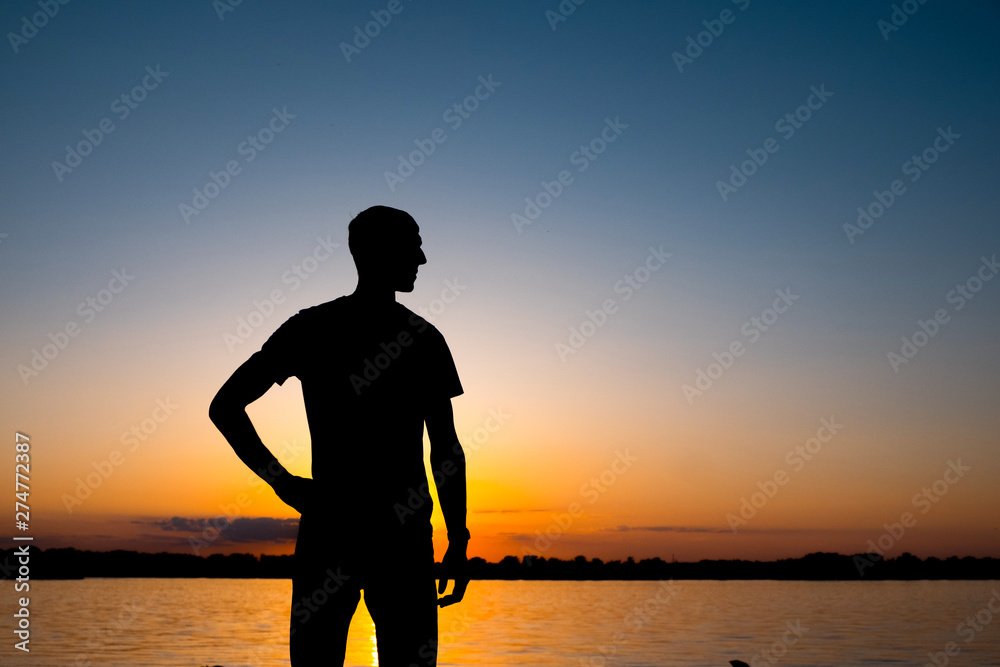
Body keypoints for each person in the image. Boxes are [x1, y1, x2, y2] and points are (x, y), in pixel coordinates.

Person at [209, 205, 470, 666]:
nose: (423, 260)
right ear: (377, 251)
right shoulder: (421, 337)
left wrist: (286, 485)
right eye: (414, 246)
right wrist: (457, 538)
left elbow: (225, 407)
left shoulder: (314, 328)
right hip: (395, 538)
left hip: (341, 531)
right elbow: (445, 449)